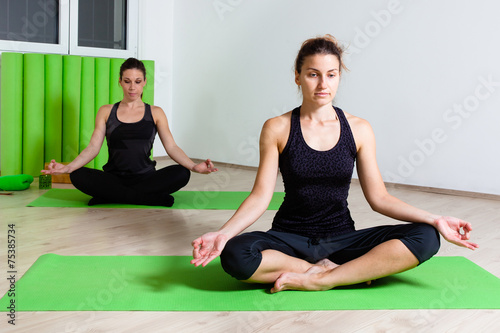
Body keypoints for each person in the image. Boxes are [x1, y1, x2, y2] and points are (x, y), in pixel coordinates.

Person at [191, 35, 478, 292]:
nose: (322, 84)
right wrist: (224, 233)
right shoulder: (277, 128)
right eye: (313, 74)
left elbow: (379, 198)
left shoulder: (359, 128)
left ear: (340, 76)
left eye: (331, 74)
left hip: (341, 240)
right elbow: (260, 196)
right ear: (298, 77)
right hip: (289, 239)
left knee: (427, 236)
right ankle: (336, 274)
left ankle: (319, 279)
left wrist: (435, 219)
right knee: (235, 254)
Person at [42, 58, 217, 207]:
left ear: (145, 82)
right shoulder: (106, 111)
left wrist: (193, 166)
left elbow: (171, 147)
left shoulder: (156, 112)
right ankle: (147, 198)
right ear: (120, 81)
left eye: (137, 81)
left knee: (182, 173)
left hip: (146, 178)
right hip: (113, 179)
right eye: (127, 81)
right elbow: (93, 147)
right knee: (77, 175)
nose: (132, 87)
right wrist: (68, 167)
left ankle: (110, 197)